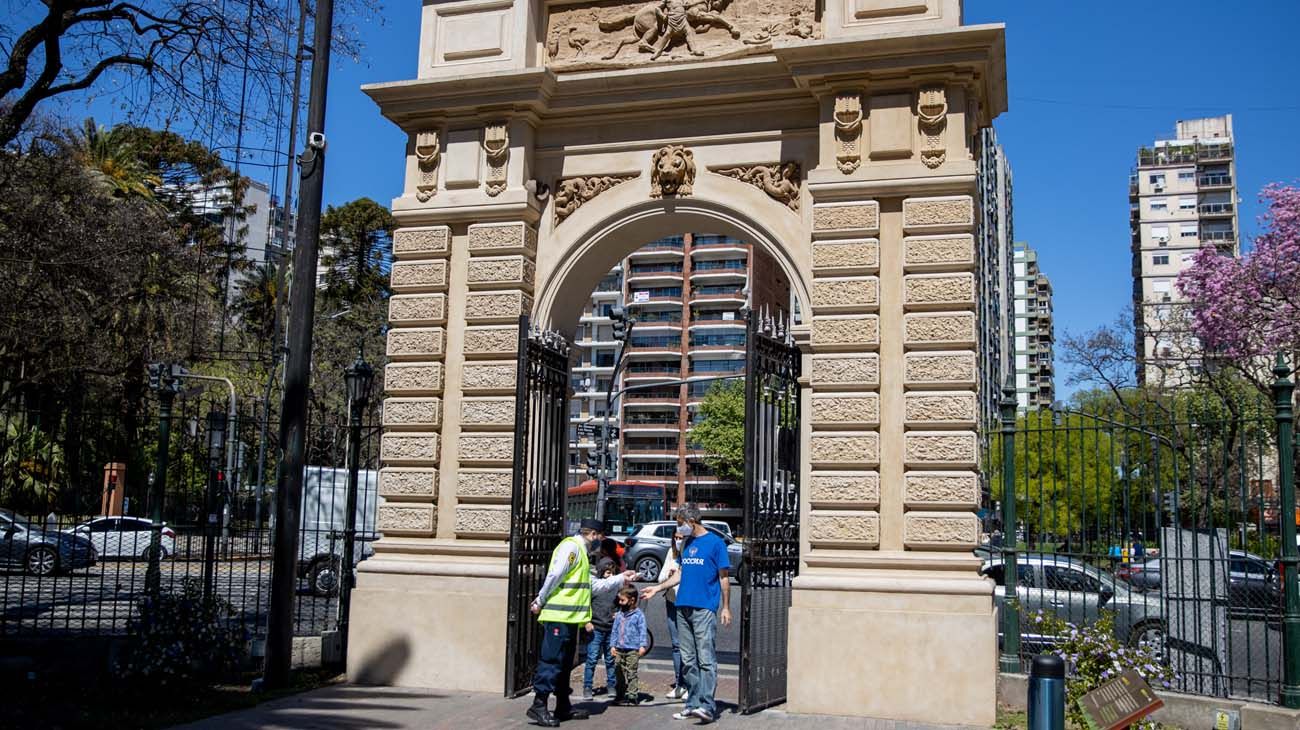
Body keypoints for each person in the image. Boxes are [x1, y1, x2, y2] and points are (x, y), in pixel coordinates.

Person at [529, 518, 636, 727]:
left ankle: (563, 705)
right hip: (558, 616)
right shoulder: (572, 547)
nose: (600, 542)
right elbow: (555, 574)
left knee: (564, 663)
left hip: (570, 619)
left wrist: (621, 577)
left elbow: (592, 586)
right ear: (593, 535)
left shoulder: (582, 553)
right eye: (600, 537)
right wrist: (540, 599)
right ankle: (538, 704)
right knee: (552, 661)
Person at [641, 505, 730, 724]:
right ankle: (693, 703)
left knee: (705, 658)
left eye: (680, 523)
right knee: (688, 659)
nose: (679, 527)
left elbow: (724, 577)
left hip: (704, 607)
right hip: (683, 606)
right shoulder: (686, 544)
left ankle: (707, 706)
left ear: (691, 521)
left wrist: (726, 607)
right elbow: (680, 573)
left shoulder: (716, 544)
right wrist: (658, 587)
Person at [582, 558, 618, 700]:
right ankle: (587, 686)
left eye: (612, 572)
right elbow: (585, 602)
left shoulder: (616, 587)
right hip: (596, 627)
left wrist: (619, 613)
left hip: (610, 627)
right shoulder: (595, 586)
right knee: (592, 658)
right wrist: (587, 621)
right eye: (607, 572)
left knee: (610, 659)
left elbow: (625, 599)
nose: (609, 575)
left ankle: (611, 685)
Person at [658, 532, 688, 701]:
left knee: (690, 646)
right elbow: (660, 578)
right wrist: (669, 575)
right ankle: (680, 684)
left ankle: (691, 684)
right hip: (672, 601)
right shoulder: (671, 553)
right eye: (675, 538)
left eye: (681, 538)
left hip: (687, 603)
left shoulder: (692, 553)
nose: (678, 541)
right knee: (676, 645)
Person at [610, 586, 649, 705]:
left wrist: (642, 645)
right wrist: (612, 645)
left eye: (622, 600)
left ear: (631, 600)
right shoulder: (619, 615)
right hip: (619, 648)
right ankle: (620, 694)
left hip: (632, 648)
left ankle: (632, 695)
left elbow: (643, 631)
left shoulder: (639, 615)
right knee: (618, 671)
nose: (620, 603)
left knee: (631, 672)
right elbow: (614, 631)